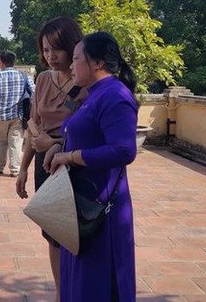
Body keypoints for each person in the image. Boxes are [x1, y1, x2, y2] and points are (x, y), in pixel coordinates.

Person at [44, 31, 138, 301]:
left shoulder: (114, 96)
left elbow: (124, 150)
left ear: (97, 63)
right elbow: (81, 134)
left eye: (75, 59)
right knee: (79, 277)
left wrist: (71, 156)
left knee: (97, 282)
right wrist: (57, 148)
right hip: (81, 200)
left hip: (100, 205)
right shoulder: (96, 94)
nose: (71, 66)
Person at [15, 17, 85, 300]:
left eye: (56, 49)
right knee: (54, 235)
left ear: (71, 47)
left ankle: (78, 289)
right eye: (45, 50)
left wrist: (54, 142)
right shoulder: (43, 79)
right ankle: (60, 293)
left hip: (75, 165)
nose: (50, 56)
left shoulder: (84, 83)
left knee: (77, 234)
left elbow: (89, 133)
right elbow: (33, 124)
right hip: (45, 167)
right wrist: (22, 169)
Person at [0, 51, 35, 176]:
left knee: (0, 142)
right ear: (14, 62)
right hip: (18, 115)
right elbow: (34, 94)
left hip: (0, 115)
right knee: (16, 142)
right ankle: (15, 169)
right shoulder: (24, 76)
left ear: (1, 62)